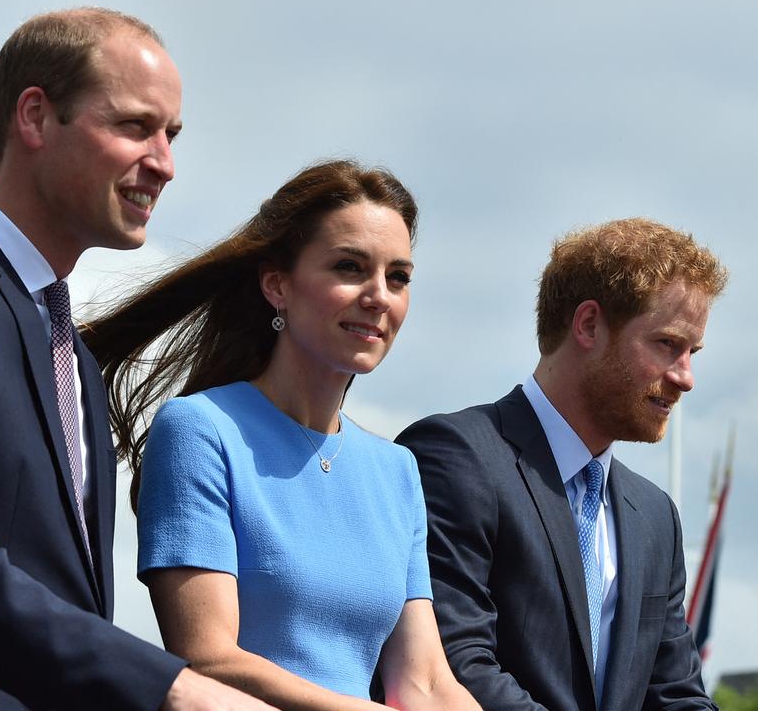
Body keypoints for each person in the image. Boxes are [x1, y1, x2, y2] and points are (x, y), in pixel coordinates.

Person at [0, 8, 272, 711]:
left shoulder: (76, 360)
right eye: (133, 126)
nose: (164, 163)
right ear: (35, 117)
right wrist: (173, 688)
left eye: (171, 134)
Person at [85, 159, 481, 711]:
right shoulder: (200, 431)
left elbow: (425, 683)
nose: (379, 296)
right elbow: (208, 659)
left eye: (398, 277)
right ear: (277, 286)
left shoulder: (396, 470)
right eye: (349, 267)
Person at [397, 218, 727, 711]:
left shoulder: (655, 516)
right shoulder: (455, 457)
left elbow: (677, 695)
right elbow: (453, 663)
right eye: (667, 345)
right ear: (589, 324)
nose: (686, 378)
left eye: (692, 352)